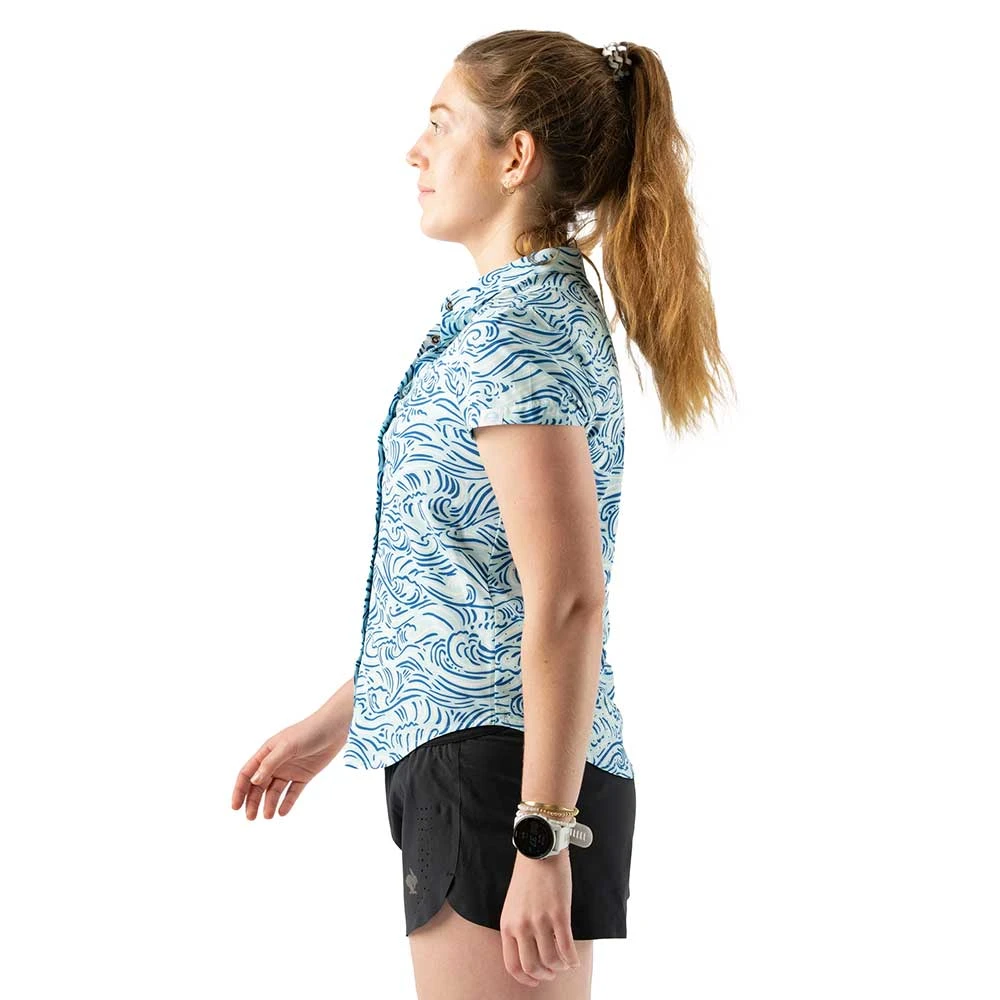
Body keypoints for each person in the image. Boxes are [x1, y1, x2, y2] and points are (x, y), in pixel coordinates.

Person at [231, 29, 733, 999]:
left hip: (507, 781)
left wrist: (543, 833)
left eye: (440, 123)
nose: (413, 150)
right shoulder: (515, 313)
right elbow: (478, 583)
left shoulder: (517, 327)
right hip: (494, 761)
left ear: (515, 157)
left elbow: (567, 597)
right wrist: (343, 716)